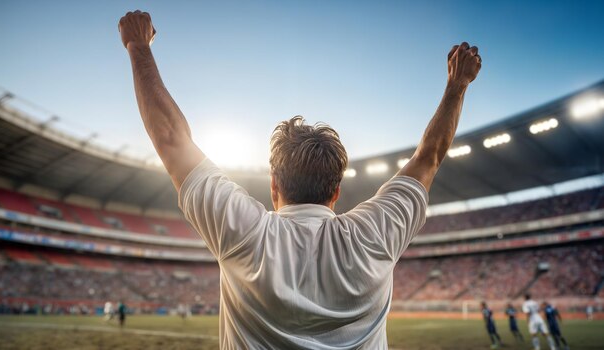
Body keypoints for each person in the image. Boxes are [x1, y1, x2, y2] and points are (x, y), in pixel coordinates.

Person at [119, 10, 481, 349]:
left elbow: (170, 138)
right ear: (336, 190)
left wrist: (138, 48)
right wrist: (457, 85)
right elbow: (429, 158)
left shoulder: (246, 233)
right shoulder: (375, 234)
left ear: (274, 184)